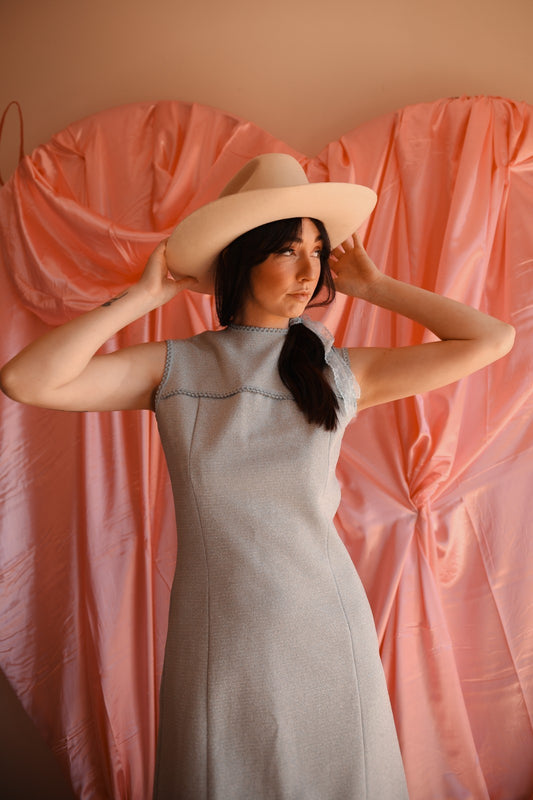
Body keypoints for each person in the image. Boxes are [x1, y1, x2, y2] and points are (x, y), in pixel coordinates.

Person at [0, 153, 515, 799]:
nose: (309, 271)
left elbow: (491, 339)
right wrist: (139, 298)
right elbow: (26, 380)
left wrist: (376, 286)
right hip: (225, 628)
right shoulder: (176, 367)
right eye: (287, 251)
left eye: (317, 251)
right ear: (242, 260)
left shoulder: (340, 370)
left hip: (329, 621)